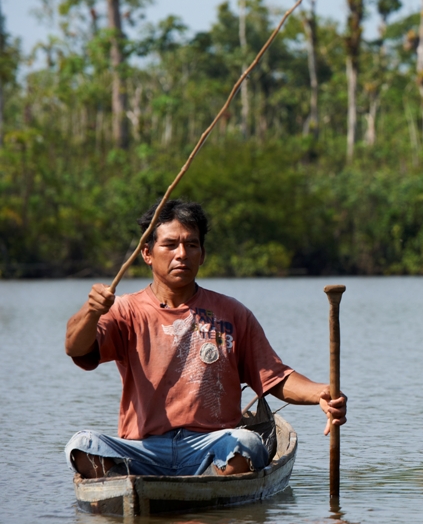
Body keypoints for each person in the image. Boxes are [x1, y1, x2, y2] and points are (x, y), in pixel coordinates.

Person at [64, 199, 346, 478]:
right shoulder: (126, 310)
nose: (182, 254)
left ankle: (204, 488)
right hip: (145, 450)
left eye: (192, 245)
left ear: (203, 254)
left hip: (212, 445)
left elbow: (273, 377)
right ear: (147, 253)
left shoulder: (231, 313)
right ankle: (128, 484)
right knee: (82, 446)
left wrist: (321, 393)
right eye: (170, 244)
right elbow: (76, 348)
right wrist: (91, 311)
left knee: (245, 445)